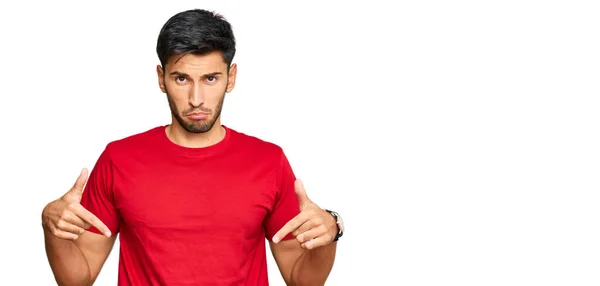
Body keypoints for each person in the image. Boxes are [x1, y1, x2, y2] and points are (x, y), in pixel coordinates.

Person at [41, 8, 344, 286]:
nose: (196, 98)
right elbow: (76, 280)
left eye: (210, 78)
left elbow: (301, 279)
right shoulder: (119, 159)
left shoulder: (268, 160)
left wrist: (330, 233)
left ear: (231, 77)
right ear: (162, 79)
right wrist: (52, 229)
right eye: (182, 78)